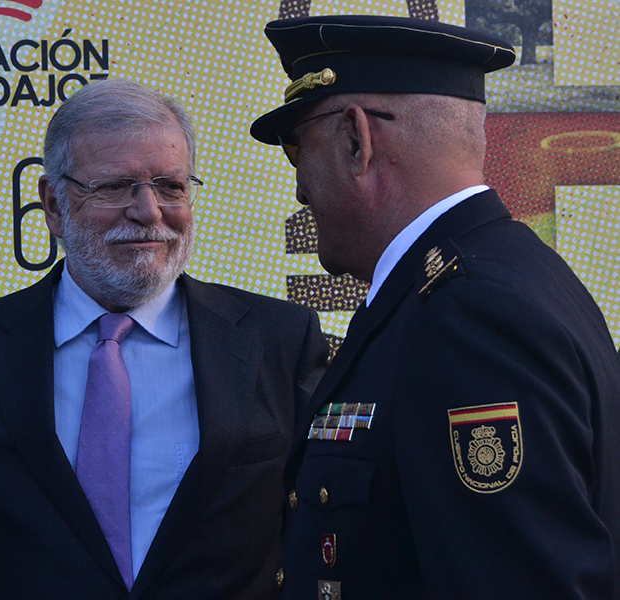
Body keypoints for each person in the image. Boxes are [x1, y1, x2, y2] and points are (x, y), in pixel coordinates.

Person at [249, 15, 620, 599]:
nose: (299, 188)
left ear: (356, 140)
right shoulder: (495, 280)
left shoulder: (469, 314)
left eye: (299, 150)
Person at [0, 78, 330, 599]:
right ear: (52, 204)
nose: (149, 211)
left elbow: (319, 536)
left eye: (170, 186)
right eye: (114, 187)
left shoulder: (280, 341)